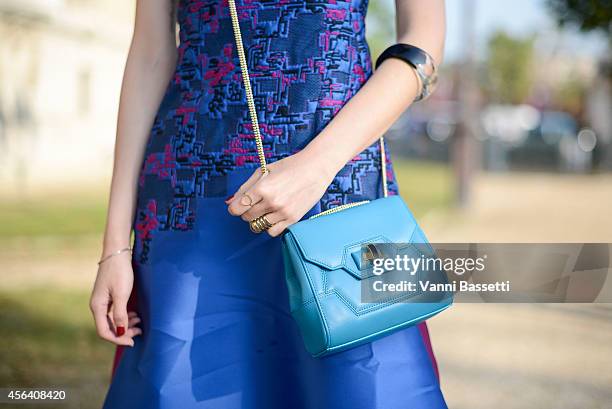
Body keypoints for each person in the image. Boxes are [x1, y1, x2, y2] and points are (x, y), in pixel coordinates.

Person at [91, 0, 447, 407]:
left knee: (374, 390)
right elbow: (150, 53)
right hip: (191, 201)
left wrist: (318, 165)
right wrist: (114, 246)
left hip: (345, 190)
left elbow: (423, 40)